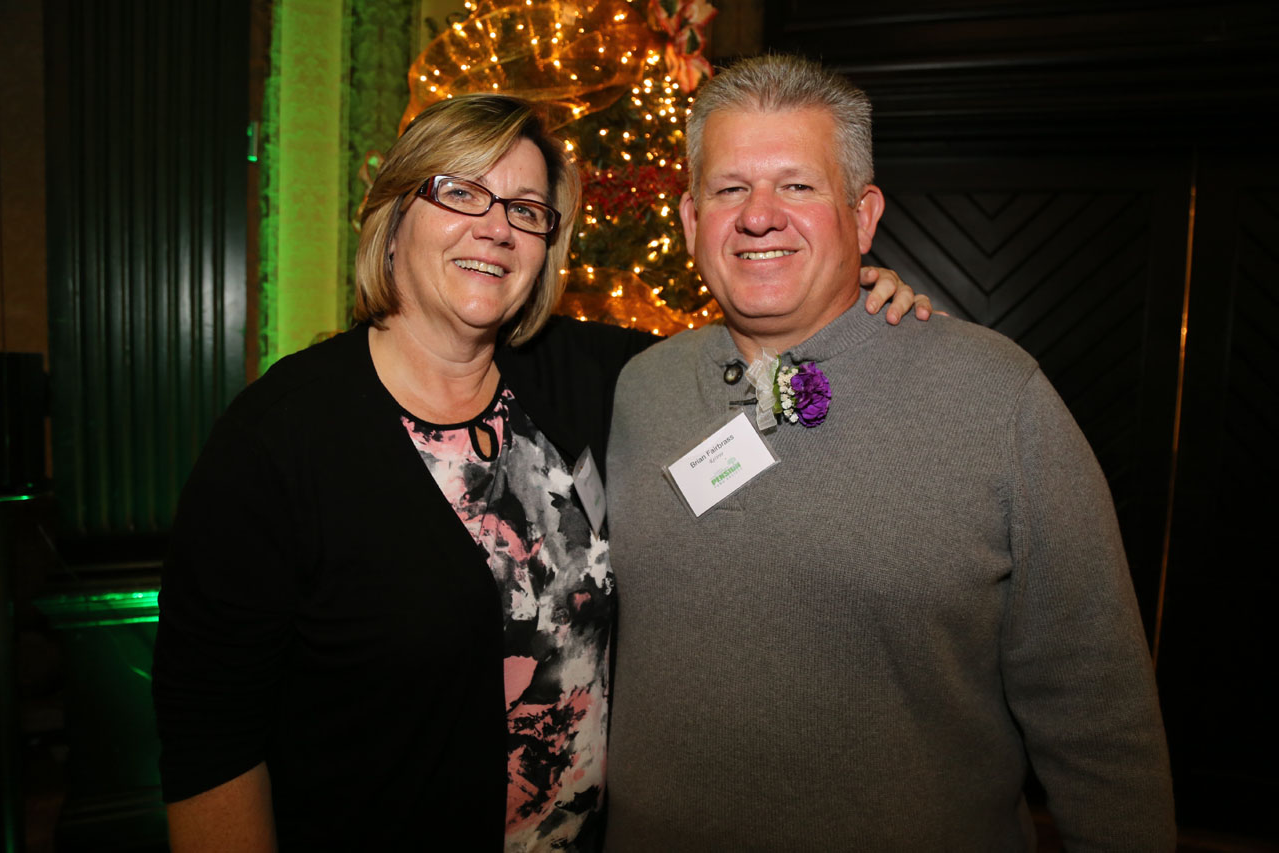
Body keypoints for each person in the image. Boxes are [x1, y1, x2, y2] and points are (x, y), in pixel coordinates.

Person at [151, 93, 928, 851]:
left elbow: (747, 364)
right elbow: (207, 736)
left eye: (525, 208)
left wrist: (851, 306)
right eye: (461, 192)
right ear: (394, 215)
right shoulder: (277, 439)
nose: (496, 227)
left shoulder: (589, 377)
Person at [603, 54, 1176, 850]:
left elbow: (1097, 714)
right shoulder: (637, 389)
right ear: (690, 218)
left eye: (797, 185)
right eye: (729, 188)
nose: (759, 215)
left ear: (864, 215)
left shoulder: (996, 397)